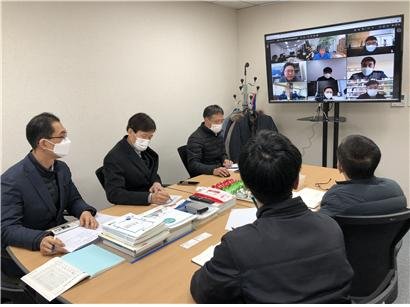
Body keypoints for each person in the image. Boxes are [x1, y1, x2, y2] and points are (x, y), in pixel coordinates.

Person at [190, 131, 353, 303]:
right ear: (297, 181)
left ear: (246, 185)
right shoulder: (330, 226)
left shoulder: (237, 245)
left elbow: (203, 291)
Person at [1, 113, 98, 277]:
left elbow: (73, 199)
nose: (67, 141)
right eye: (62, 137)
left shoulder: (61, 168)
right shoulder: (12, 180)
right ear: (44, 143)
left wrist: (84, 211)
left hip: (63, 240)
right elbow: (6, 229)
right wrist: (39, 239)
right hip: (30, 252)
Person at [320, 135, 407, 217]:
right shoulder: (394, 188)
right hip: (385, 232)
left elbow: (319, 225)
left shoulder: (337, 197)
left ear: (340, 167)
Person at [102, 113, 170, 205]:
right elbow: (114, 194)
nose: (146, 141)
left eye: (150, 137)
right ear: (130, 132)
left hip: (154, 203)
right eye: (143, 136)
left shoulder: (145, 152)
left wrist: (156, 183)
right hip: (134, 205)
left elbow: (151, 174)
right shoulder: (114, 158)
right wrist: (149, 198)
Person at [187, 105, 232, 177]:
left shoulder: (218, 134)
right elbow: (193, 165)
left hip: (220, 172)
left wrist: (225, 160)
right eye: (216, 121)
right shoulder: (195, 138)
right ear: (206, 120)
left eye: (221, 121)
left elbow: (223, 154)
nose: (220, 124)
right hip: (205, 176)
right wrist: (213, 170)